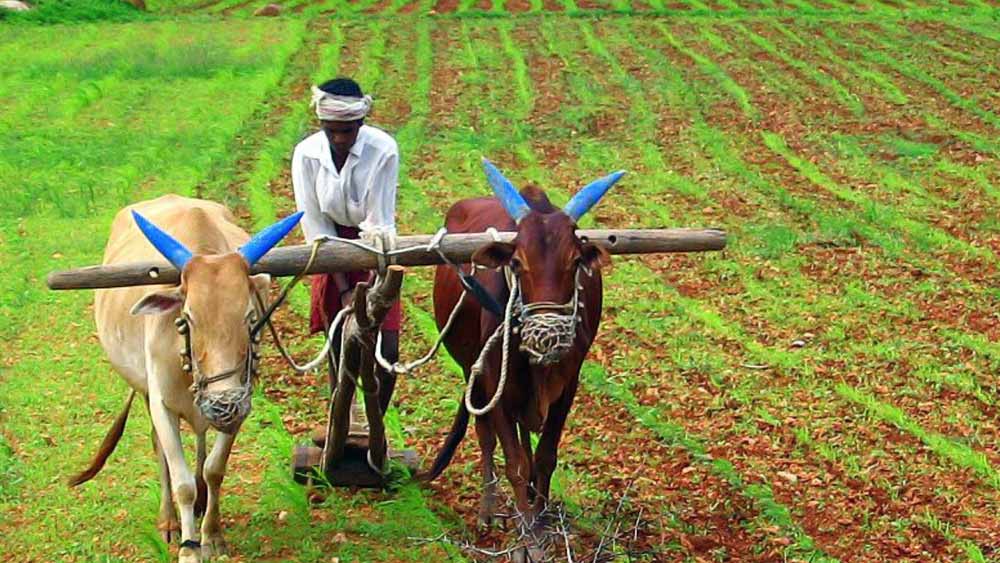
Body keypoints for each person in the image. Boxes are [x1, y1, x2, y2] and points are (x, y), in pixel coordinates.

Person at [291, 77, 401, 413]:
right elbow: (315, 224)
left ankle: (375, 423)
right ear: (322, 124)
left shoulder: (383, 149)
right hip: (330, 249)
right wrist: (342, 290)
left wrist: (373, 290)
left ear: (361, 123)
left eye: (348, 130)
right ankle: (342, 417)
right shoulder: (307, 154)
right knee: (340, 341)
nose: (339, 138)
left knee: (388, 349)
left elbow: (378, 222)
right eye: (332, 130)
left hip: (374, 249)